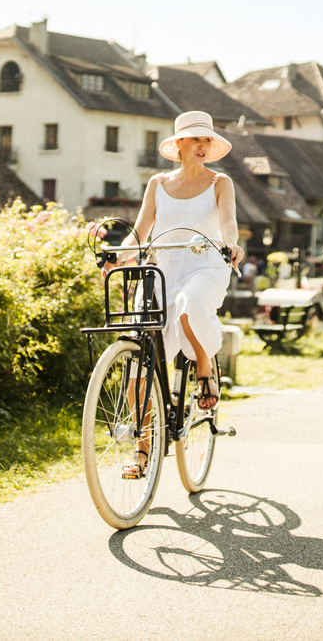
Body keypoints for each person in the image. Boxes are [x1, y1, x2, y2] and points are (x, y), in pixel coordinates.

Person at [112, 110, 242, 476]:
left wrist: (231, 245)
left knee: (189, 305)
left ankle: (204, 366)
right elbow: (140, 231)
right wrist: (118, 256)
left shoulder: (221, 182)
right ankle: (142, 449)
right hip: (161, 271)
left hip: (205, 267)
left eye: (207, 140)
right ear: (179, 144)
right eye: (195, 139)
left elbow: (229, 223)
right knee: (140, 364)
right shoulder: (157, 183)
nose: (202, 146)